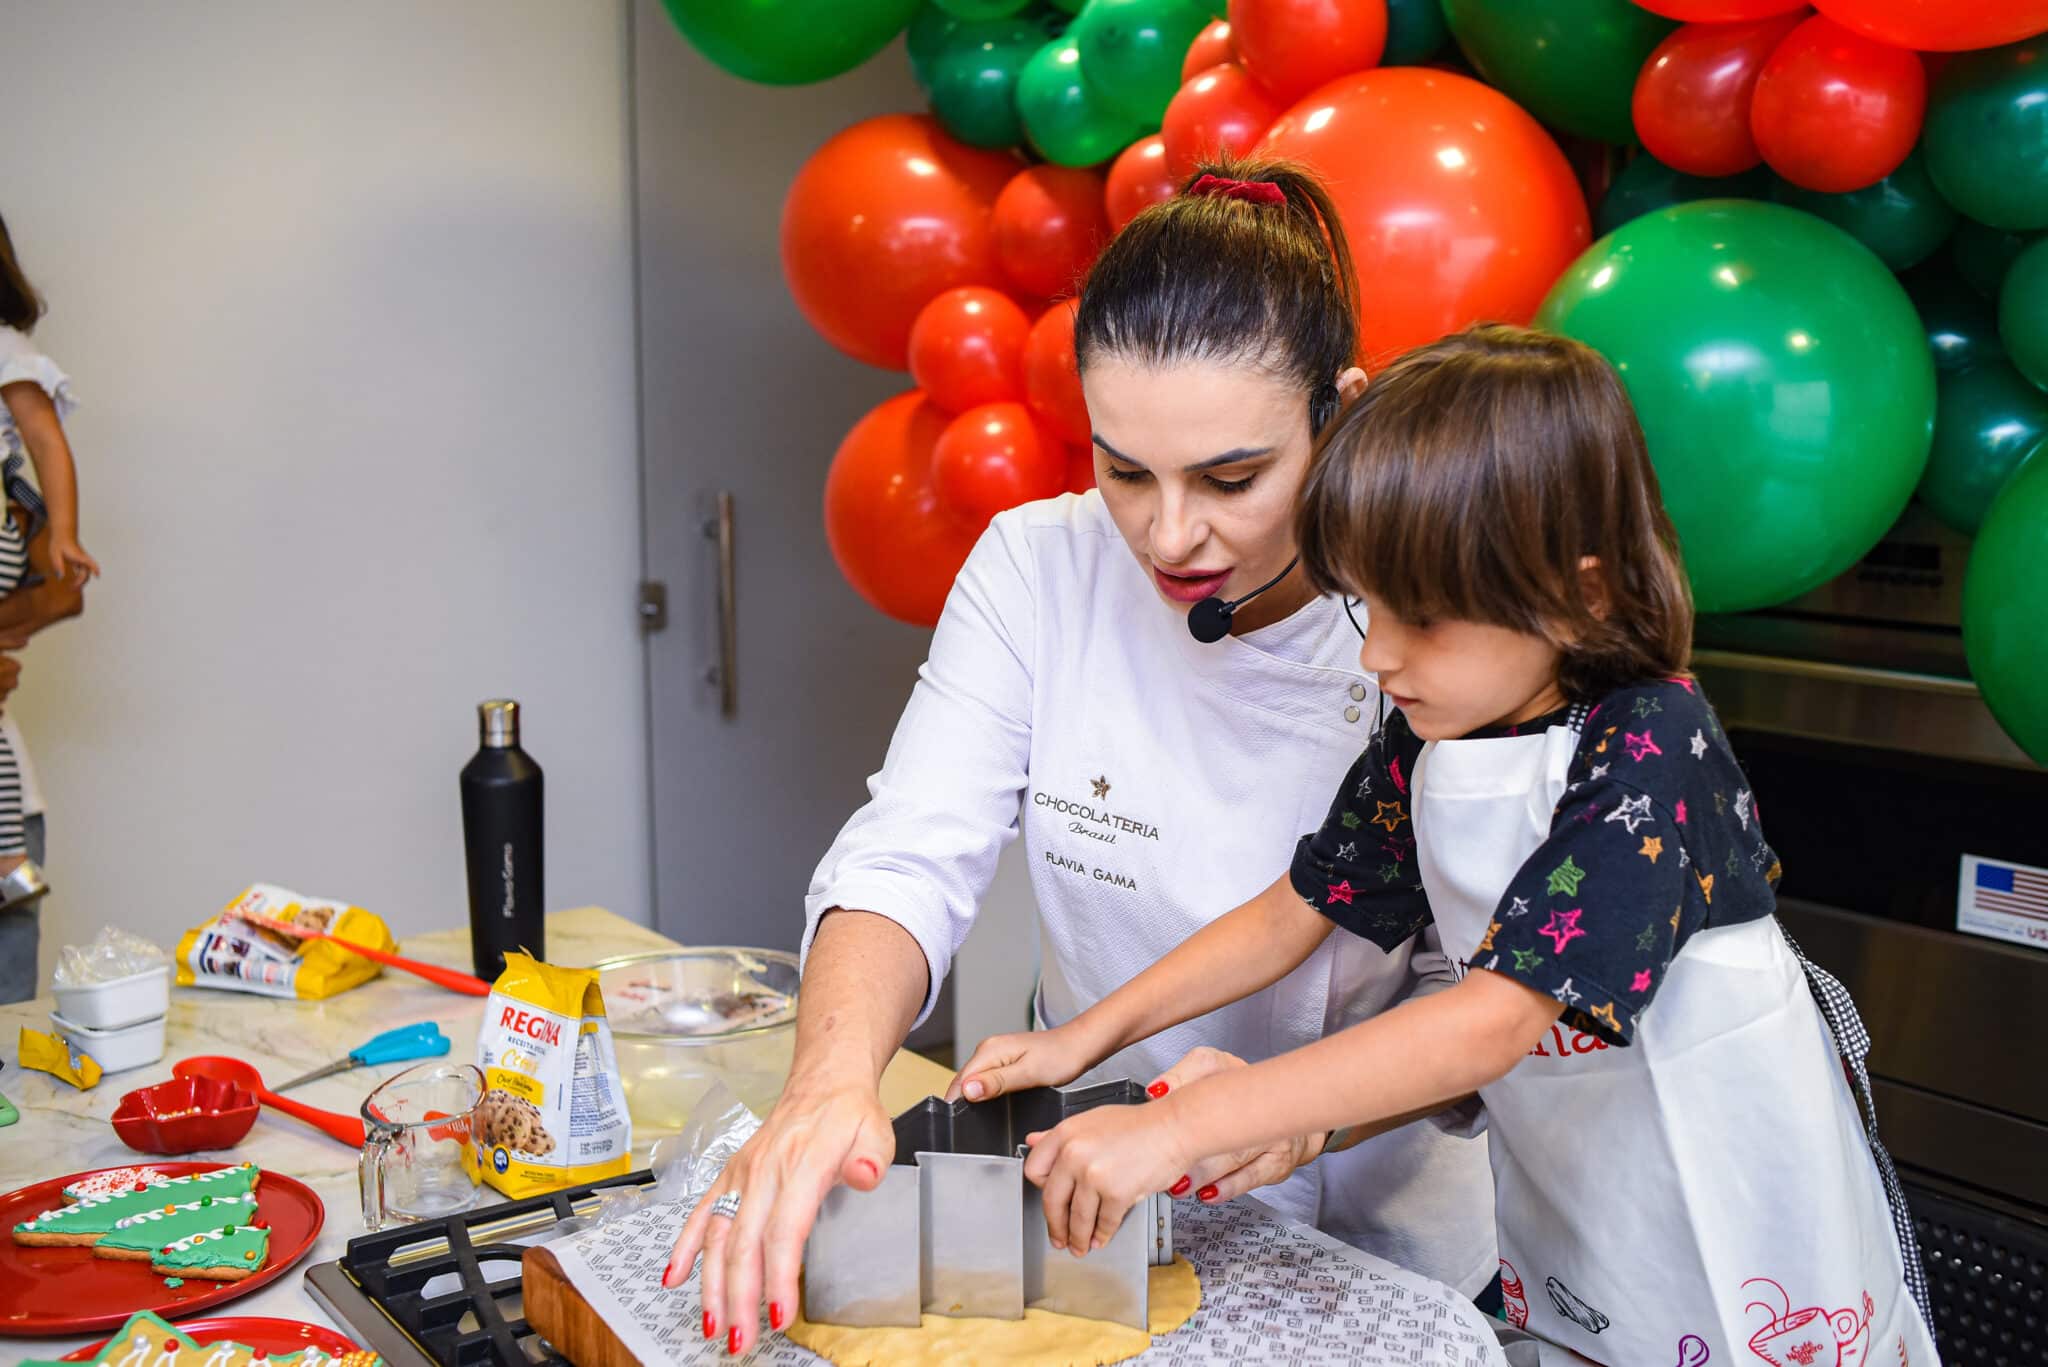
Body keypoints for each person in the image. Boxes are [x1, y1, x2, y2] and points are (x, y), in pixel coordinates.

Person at [965, 324, 1938, 1364]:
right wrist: (1084, 1040)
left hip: (1739, 1209)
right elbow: (1294, 908)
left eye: (1420, 619)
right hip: (1575, 1193)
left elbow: (1489, 1022)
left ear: (1585, 591)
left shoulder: (1650, 743)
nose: (1377, 652)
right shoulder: (1432, 732)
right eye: (1365, 606)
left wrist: (1174, 1129)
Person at [665, 161, 1497, 1357]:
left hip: (1365, 1237)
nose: (1167, 534)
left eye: (1230, 477)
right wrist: (827, 1079)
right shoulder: (1033, 570)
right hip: (1081, 1215)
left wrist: (1297, 1121)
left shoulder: (1428, 626)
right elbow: (909, 851)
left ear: (1342, 411)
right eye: (1122, 470)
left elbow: (1482, 1000)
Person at [0, 212, 98, 936]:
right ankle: (5, 855)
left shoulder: (3, 350)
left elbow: (45, 441)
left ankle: (5, 855)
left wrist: (61, 531)